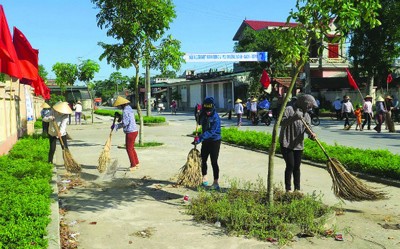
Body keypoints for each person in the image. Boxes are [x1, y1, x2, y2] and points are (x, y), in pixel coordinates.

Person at [279, 94, 317, 192]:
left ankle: (297, 189)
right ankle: (288, 189)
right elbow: (281, 123)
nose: (310, 108)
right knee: (290, 165)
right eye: (310, 105)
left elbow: (308, 128)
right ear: (304, 103)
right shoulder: (289, 109)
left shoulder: (307, 115)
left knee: (297, 167)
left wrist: (311, 134)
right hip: (286, 143)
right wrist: (294, 118)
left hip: (298, 145)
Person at [192, 97, 221, 190]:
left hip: (214, 141)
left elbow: (211, 131)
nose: (208, 112)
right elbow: (199, 122)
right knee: (203, 160)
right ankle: (204, 178)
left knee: (214, 161)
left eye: (210, 110)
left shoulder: (216, 117)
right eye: (206, 110)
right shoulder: (204, 114)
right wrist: (196, 111)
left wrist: (200, 138)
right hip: (205, 141)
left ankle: (216, 182)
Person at [112, 96, 140, 171]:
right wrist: (120, 117)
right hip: (134, 130)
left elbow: (125, 123)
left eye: (118, 106)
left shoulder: (125, 111)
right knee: (132, 148)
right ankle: (136, 163)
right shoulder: (129, 108)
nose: (118, 107)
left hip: (130, 132)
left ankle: (133, 165)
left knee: (129, 149)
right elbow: (127, 118)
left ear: (121, 104)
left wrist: (116, 126)